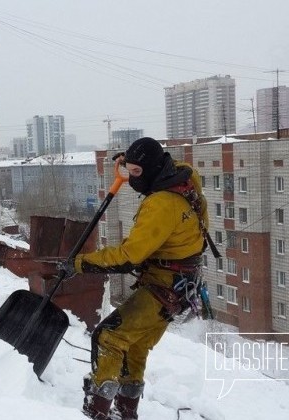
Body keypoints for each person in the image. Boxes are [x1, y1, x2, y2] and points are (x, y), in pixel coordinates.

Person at [63, 137, 209, 420]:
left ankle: (97, 410)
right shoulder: (184, 175)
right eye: (129, 171)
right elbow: (162, 161)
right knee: (136, 345)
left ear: (154, 169)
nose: (132, 179)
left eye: (137, 173)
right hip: (181, 281)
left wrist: (79, 263)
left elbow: (129, 256)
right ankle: (126, 413)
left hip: (165, 285)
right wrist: (131, 160)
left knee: (108, 336)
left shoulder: (161, 205)